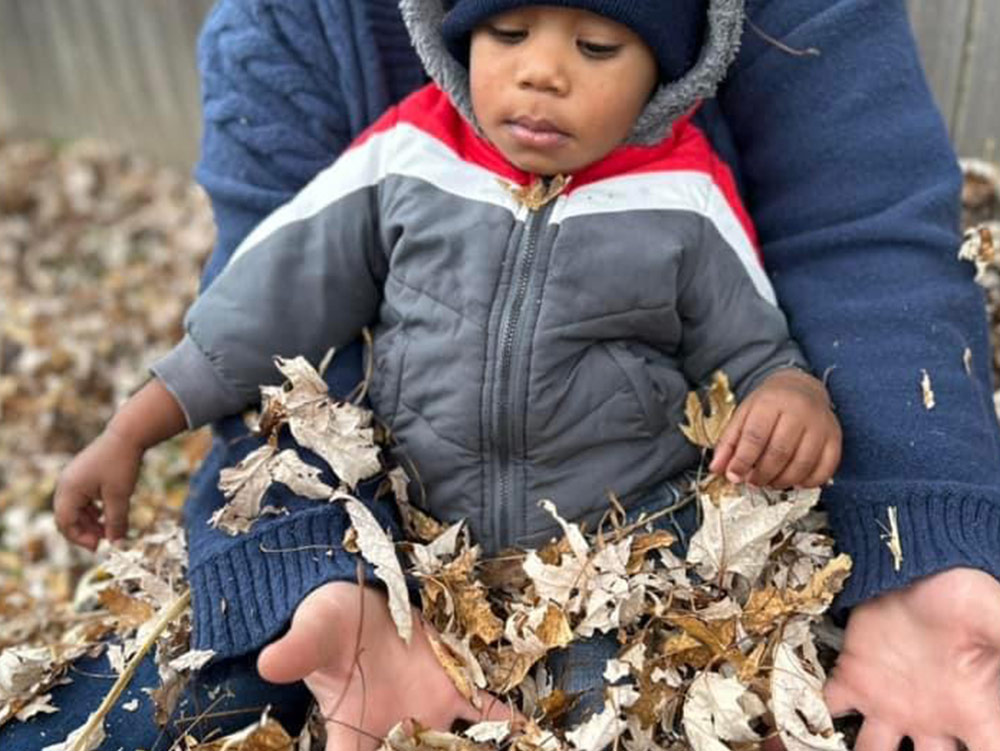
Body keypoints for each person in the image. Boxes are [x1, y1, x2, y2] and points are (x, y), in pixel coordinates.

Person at [22, 1, 999, 751]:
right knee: (137, 702)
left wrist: (801, 407)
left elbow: (762, 337)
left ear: (668, 74)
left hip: (620, 559)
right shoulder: (404, 161)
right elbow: (261, 314)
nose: (540, 75)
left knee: (608, 708)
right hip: (408, 544)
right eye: (509, 32)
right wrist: (136, 428)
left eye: (595, 49)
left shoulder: (682, 198)